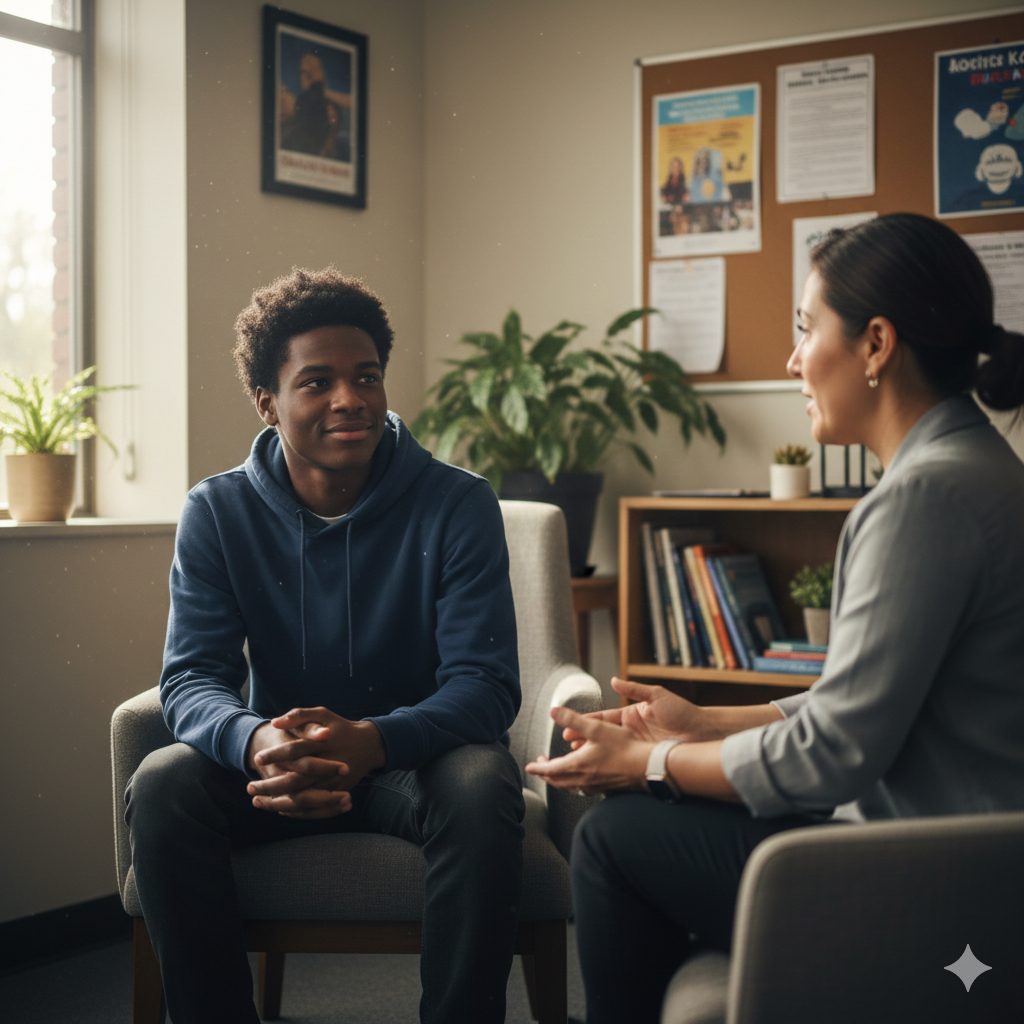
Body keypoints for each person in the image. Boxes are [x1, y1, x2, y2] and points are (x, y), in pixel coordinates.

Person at [526, 212, 1024, 1023]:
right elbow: (866, 701)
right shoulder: (973, 467)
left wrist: (648, 764)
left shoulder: (924, 499)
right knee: (655, 816)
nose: (793, 361)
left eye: (805, 330)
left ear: (876, 344)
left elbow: (834, 753)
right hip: (967, 858)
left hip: (939, 883)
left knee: (615, 838)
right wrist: (703, 723)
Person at [125, 268, 526, 1024]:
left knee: (481, 781)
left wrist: (375, 741)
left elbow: (485, 684)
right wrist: (255, 743)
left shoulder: (458, 503)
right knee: (163, 784)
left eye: (366, 377)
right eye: (318, 382)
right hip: (279, 767)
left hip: (413, 765)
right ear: (267, 402)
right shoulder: (217, 511)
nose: (351, 399)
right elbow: (190, 680)